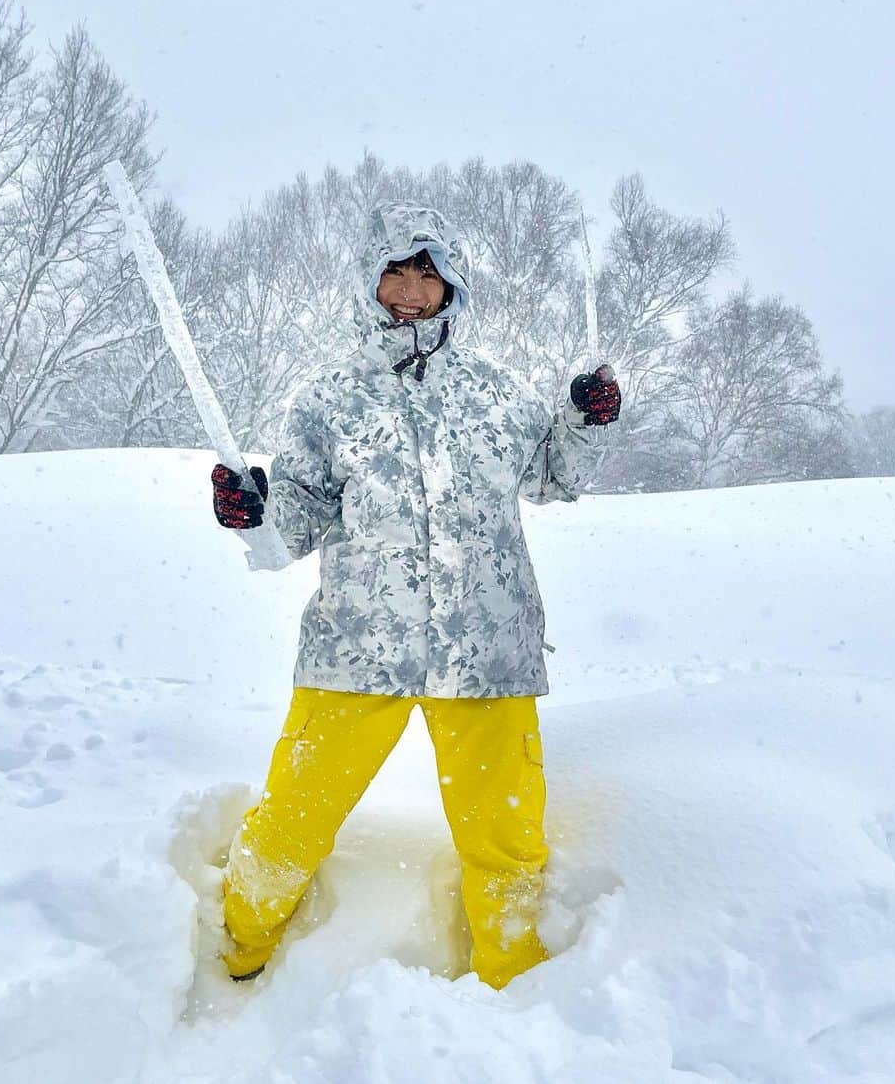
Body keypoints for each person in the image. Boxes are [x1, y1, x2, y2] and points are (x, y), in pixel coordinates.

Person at [210, 200, 621, 989]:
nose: (408, 289)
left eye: (425, 273)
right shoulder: (328, 400)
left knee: (505, 839)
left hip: (488, 646)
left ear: (451, 286)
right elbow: (290, 525)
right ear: (371, 282)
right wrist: (252, 513)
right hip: (355, 647)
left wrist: (587, 423)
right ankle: (233, 958)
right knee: (293, 820)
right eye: (394, 271)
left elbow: (555, 477)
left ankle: (516, 986)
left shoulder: (495, 394)